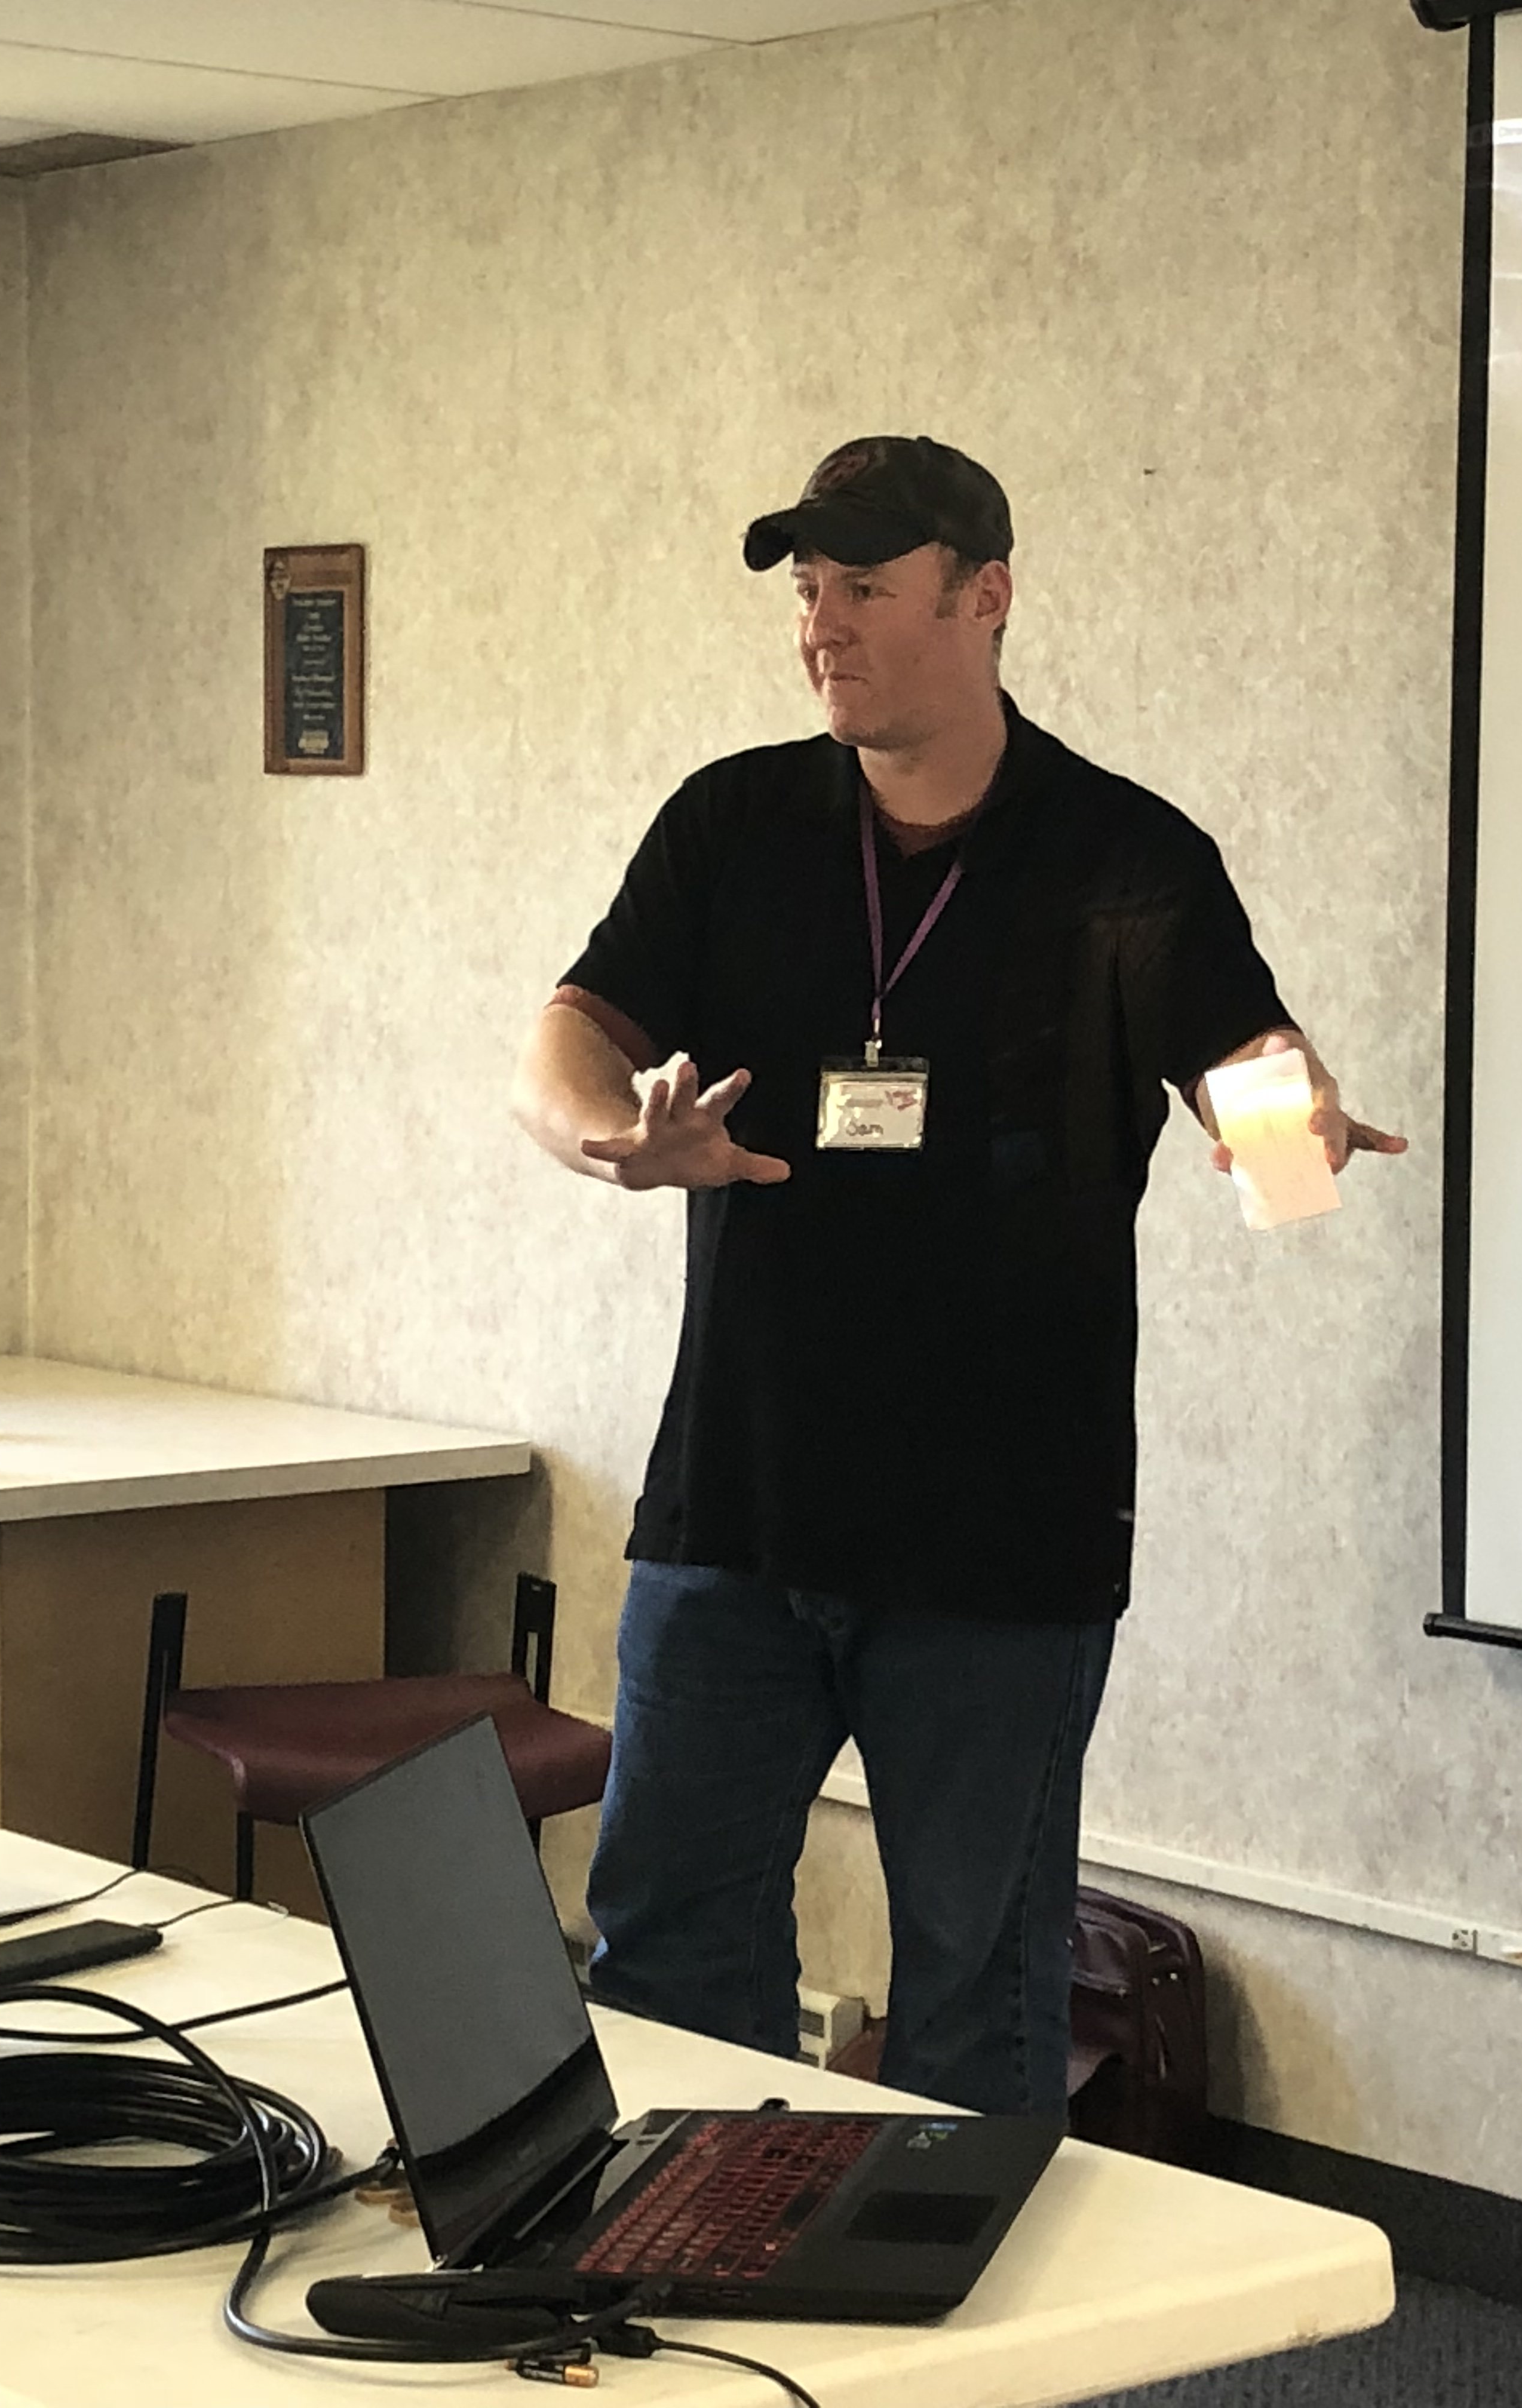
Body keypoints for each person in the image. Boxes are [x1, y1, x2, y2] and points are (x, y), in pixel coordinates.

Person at [513, 436, 1404, 2116]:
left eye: (864, 587)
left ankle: (949, 2295)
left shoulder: (1126, 858)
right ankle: (691, 2265)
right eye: (807, 591)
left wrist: (1290, 1132)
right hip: (738, 1517)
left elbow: (1252, 1075)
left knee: (975, 2004)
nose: (821, 627)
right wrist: (612, 1139)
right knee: (664, 1960)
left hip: (1000, 1545)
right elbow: (563, 1042)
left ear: (985, 597)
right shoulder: (732, 825)